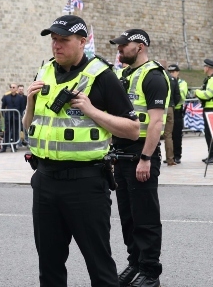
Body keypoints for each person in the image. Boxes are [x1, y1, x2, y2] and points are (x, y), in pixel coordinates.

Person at [24, 15, 139, 287]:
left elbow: (132, 129)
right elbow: (29, 128)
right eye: (53, 39)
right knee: (49, 265)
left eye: (63, 39)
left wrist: (92, 111)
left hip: (86, 183)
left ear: (82, 42)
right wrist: (29, 103)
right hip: (45, 179)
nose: (56, 45)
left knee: (99, 265)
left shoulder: (103, 76)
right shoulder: (44, 72)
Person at [109, 29, 169, 287]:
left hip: (140, 154)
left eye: (124, 45)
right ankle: (135, 264)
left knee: (145, 216)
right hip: (120, 155)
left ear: (141, 46)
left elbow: (156, 122)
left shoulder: (153, 76)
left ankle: (150, 270)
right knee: (128, 217)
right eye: (119, 46)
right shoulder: (122, 74)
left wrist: (146, 157)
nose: (120, 49)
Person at [192, 59, 213, 163]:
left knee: (211, 134)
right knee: (209, 134)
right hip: (210, 109)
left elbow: (208, 95)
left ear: (208, 68)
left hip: (212, 109)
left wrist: (197, 92)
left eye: (204, 66)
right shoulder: (211, 79)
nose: (203, 68)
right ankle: (211, 154)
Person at [163, 64, 186, 166]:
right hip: (172, 109)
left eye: (174, 72)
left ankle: (176, 155)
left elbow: (181, 96)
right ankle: (170, 156)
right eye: (170, 72)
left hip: (177, 111)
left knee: (176, 135)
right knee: (169, 135)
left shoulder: (182, 83)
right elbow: (176, 96)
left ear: (178, 72)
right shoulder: (172, 80)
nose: (172, 73)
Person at [1, 84, 21, 152]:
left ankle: (14, 147)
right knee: (7, 132)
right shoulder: (6, 97)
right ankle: (4, 147)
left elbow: (22, 107)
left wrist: (20, 115)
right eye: (11, 87)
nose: (12, 88)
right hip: (8, 117)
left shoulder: (20, 97)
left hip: (16, 117)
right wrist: (4, 115)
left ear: (16, 89)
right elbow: (3, 107)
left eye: (13, 87)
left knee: (15, 132)